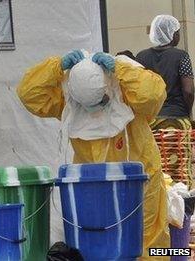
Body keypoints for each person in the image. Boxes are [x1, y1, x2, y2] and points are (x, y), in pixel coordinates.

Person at [17, 50, 170, 259]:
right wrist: (57, 67)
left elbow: (152, 94)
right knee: (96, 239)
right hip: (92, 186)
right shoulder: (66, 98)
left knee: (145, 238)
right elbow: (29, 93)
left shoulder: (125, 87)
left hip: (139, 180)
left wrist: (120, 68)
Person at [136, 15, 195, 186]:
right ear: (171, 34)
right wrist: (187, 112)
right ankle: (183, 208)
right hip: (176, 120)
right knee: (181, 170)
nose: (178, 36)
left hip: (150, 123)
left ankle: (160, 209)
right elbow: (188, 90)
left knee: (156, 168)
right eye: (177, 32)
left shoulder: (141, 57)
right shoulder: (181, 56)